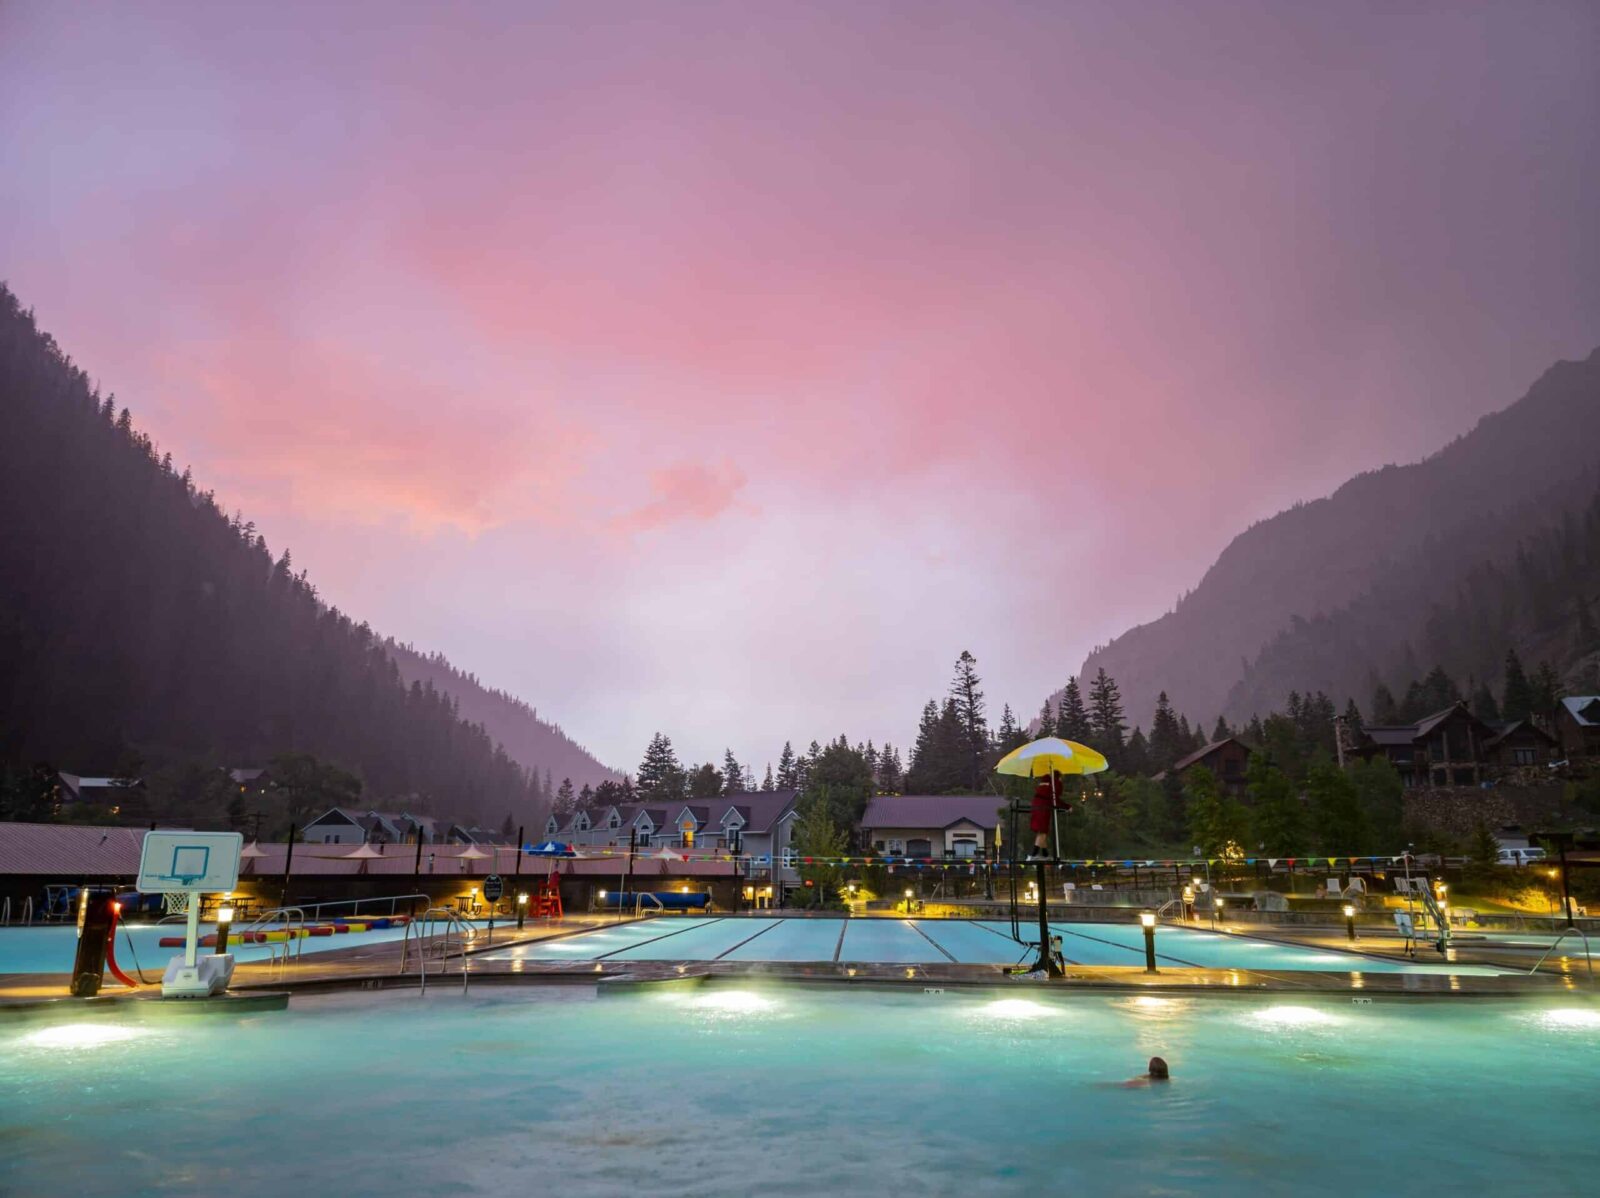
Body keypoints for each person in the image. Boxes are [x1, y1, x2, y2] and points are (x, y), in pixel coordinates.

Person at [1027, 771, 1071, 862]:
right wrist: (1067, 807)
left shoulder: (1044, 782)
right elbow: (1055, 798)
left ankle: (1045, 854)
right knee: (1043, 832)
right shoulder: (1055, 784)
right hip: (1044, 807)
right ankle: (1032, 855)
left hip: (1036, 805)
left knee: (1041, 831)